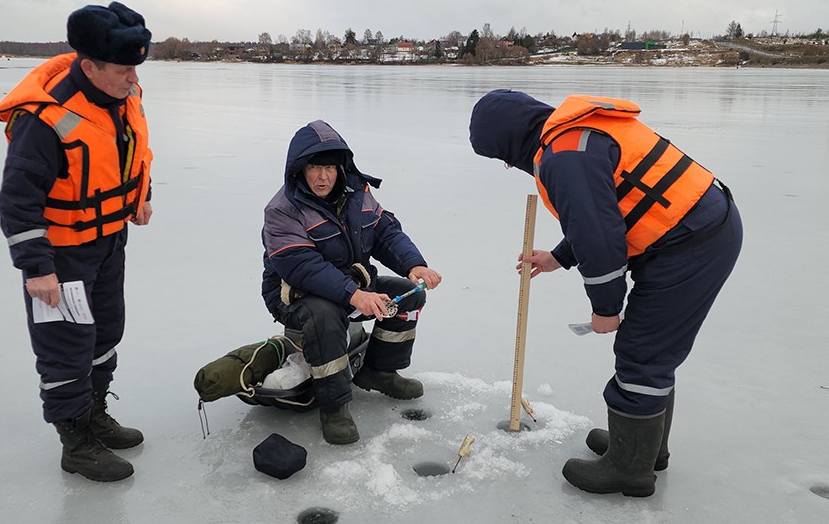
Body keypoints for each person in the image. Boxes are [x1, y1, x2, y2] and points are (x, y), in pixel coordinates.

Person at [469, 90, 742, 497]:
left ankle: (630, 469)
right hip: (693, 230)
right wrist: (559, 257)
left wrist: (606, 308)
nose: (510, 165)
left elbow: (600, 237)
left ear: (509, 143)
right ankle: (645, 450)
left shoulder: (564, 158)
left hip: (690, 244)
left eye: (502, 157)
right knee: (651, 350)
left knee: (643, 351)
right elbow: (606, 209)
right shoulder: (573, 134)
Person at [0, 1, 154, 482]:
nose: (133, 78)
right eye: (125, 69)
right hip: (60, 257)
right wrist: (36, 267)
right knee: (66, 346)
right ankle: (75, 442)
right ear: (90, 66)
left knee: (105, 333)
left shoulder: (120, 96)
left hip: (108, 241)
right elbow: (18, 200)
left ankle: (95, 414)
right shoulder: (45, 120)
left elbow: (132, 150)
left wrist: (140, 197)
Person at [261, 120, 443, 444]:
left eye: (329, 167)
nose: (323, 176)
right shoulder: (283, 209)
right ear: (300, 169)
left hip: (352, 284)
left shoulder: (358, 193)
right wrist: (354, 295)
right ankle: (334, 406)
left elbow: (386, 232)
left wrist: (413, 264)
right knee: (326, 316)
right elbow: (302, 266)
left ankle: (379, 371)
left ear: (340, 167)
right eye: (314, 167)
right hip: (294, 293)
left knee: (408, 298)